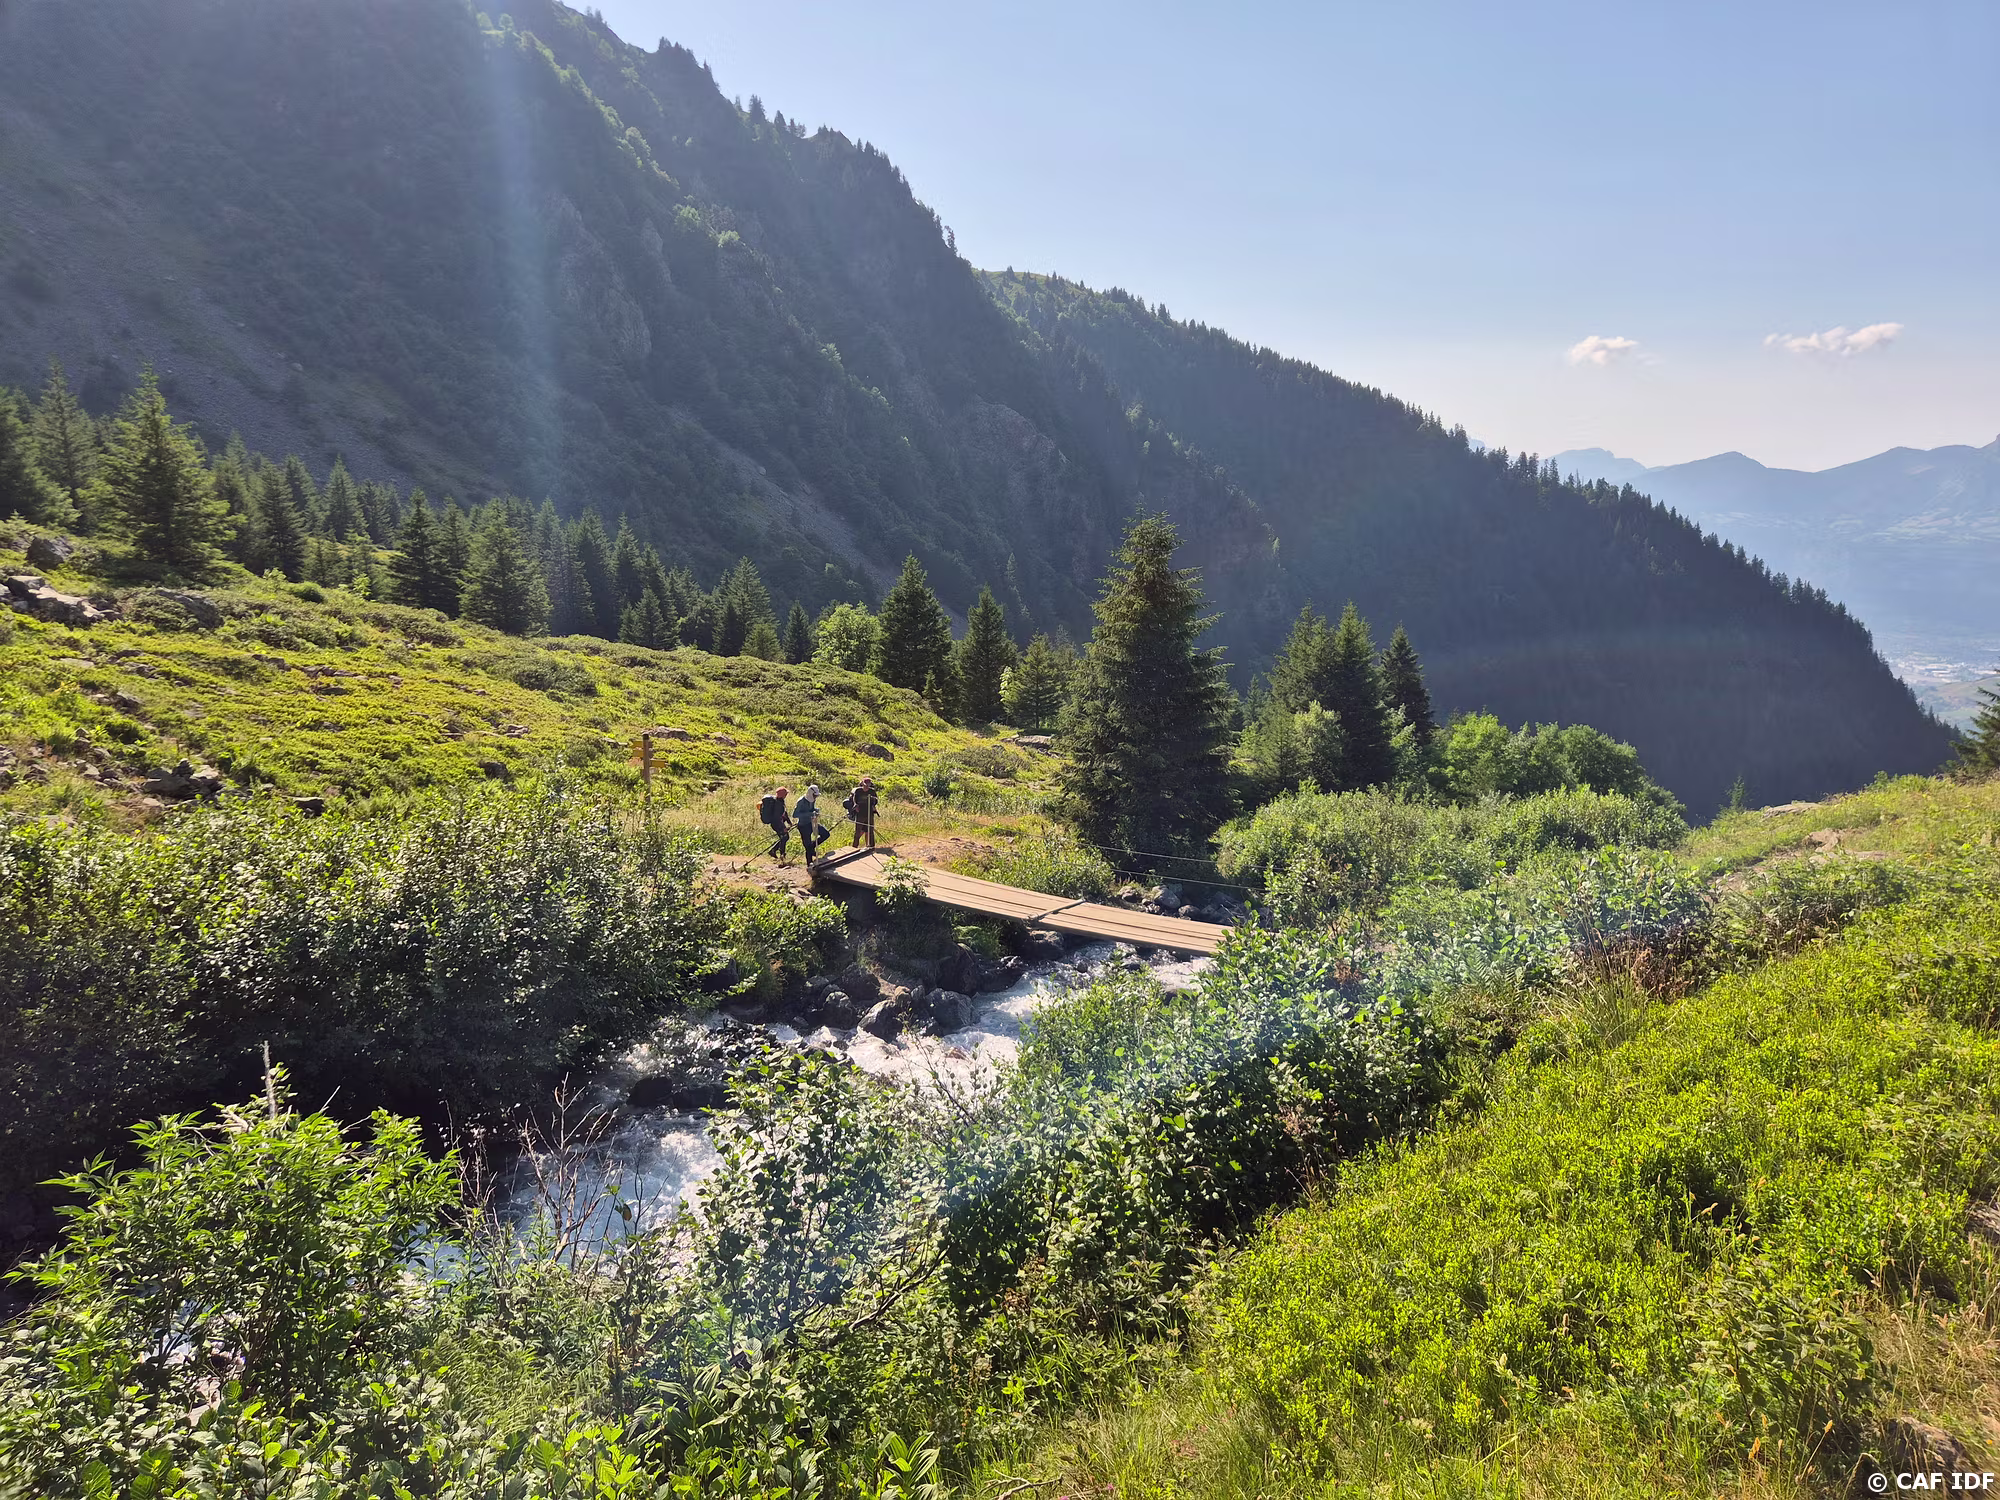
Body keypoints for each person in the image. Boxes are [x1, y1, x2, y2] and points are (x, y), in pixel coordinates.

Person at [759, 785, 793, 864]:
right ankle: (781, 855)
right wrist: (783, 827)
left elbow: (784, 813)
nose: (786, 795)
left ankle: (774, 851)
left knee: (784, 837)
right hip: (777, 824)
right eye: (785, 794)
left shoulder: (779, 802)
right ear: (783, 795)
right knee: (784, 837)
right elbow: (777, 817)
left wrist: (789, 822)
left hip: (777, 823)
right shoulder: (778, 804)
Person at [845, 774, 877, 849]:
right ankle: (854, 847)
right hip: (860, 813)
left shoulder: (872, 791)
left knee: (870, 830)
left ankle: (871, 846)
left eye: (868, 784)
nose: (867, 786)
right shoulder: (858, 791)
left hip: (869, 812)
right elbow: (854, 799)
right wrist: (855, 805)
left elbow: (876, 800)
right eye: (866, 784)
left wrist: (873, 805)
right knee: (858, 830)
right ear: (863, 783)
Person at [794, 784, 823, 863]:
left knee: (825, 834)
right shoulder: (801, 801)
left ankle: (812, 846)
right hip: (803, 826)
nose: (816, 797)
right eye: (815, 795)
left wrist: (816, 810)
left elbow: (812, 809)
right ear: (810, 793)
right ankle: (809, 863)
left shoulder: (813, 800)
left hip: (811, 823)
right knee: (807, 846)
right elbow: (795, 814)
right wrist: (809, 814)